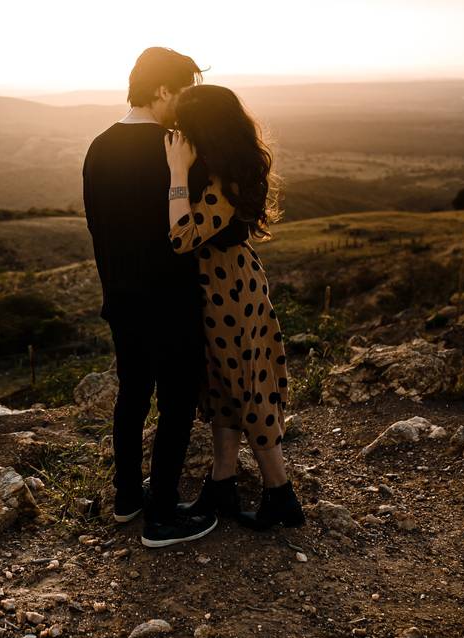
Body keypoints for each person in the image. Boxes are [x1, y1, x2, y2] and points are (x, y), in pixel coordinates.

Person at [82, 47, 218, 547]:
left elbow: (97, 227)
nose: (188, 101)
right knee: (178, 400)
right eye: (185, 90)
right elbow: (194, 229)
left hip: (121, 298)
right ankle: (162, 514)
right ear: (163, 90)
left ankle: (127, 499)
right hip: (171, 298)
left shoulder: (98, 146)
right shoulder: (175, 147)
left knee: (133, 396)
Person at [163, 84, 305, 530]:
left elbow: (182, 236)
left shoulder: (224, 182)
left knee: (247, 386)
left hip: (230, 294)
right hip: (225, 289)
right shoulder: (227, 168)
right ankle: (221, 484)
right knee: (224, 388)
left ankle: (281, 494)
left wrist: (176, 171)